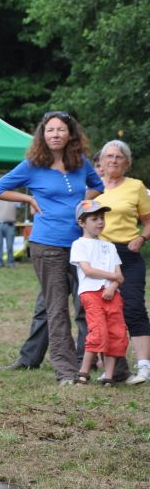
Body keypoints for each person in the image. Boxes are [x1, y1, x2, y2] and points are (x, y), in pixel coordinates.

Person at [0, 111, 103, 385]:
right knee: (56, 308)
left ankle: (87, 361)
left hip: (80, 245)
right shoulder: (32, 165)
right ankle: (66, 372)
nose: (55, 134)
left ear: (70, 134)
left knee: (86, 303)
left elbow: (97, 187)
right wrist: (28, 200)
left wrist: (81, 207)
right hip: (47, 245)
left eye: (61, 130)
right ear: (43, 135)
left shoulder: (81, 163)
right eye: (50, 130)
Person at [94, 139, 150, 384]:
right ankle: (109, 370)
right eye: (109, 156)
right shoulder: (93, 187)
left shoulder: (136, 186)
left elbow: (149, 221)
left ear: (127, 163)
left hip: (128, 253)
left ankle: (144, 367)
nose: (113, 160)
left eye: (119, 157)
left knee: (134, 307)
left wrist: (141, 238)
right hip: (101, 255)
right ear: (101, 162)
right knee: (103, 312)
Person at [70, 200, 126, 386]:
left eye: (102, 218)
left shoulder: (109, 246)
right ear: (82, 223)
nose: (100, 222)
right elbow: (88, 270)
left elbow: (121, 276)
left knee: (116, 333)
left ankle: (108, 376)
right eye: (94, 219)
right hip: (92, 294)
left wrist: (111, 286)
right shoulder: (79, 245)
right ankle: (83, 374)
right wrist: (113, 278)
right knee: (98, 332)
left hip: (113, 295)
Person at [0, 195, 21, 267]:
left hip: (10, 226)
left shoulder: (14, 200)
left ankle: (11, 263)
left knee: (10, 246)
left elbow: (21, 203)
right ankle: (0, 263)